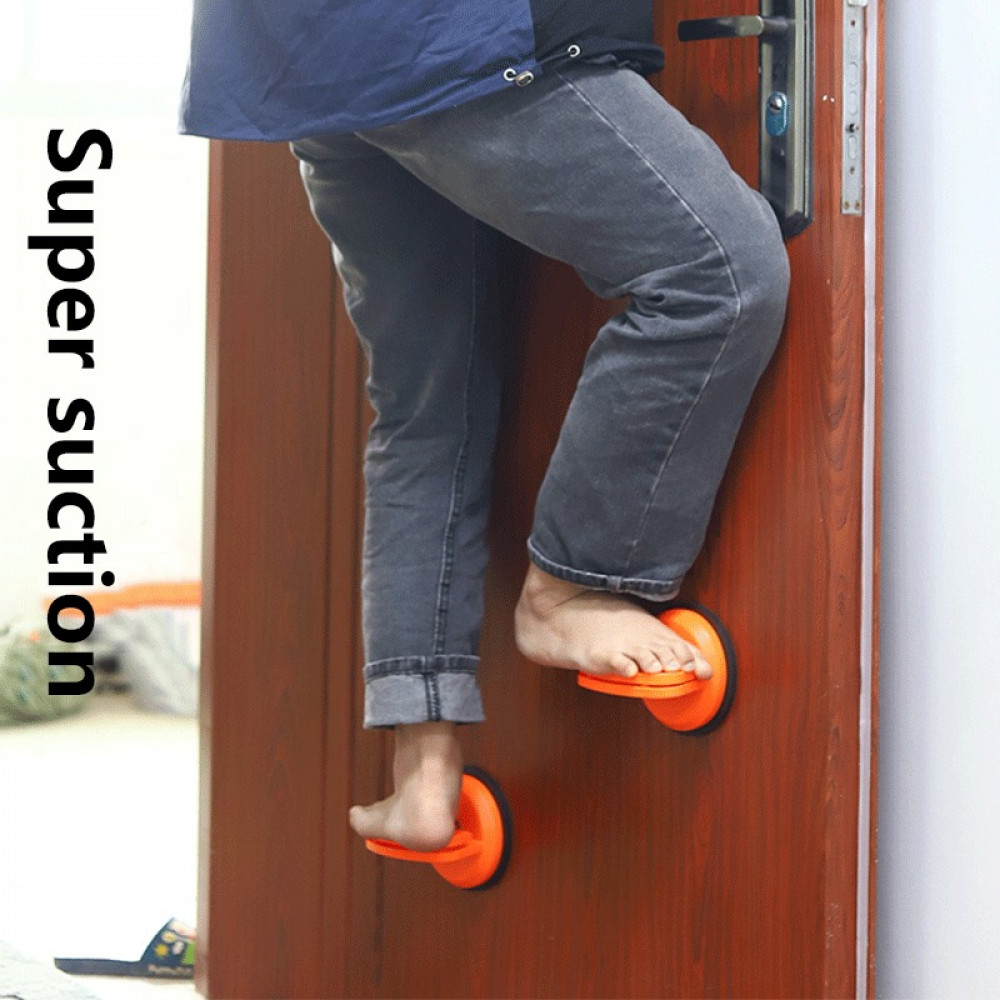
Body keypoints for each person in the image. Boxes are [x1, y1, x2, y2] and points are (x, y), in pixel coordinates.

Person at [181, 2, 790, 853]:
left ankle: (422, 771)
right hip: (459, 41)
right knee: (720, 271)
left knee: (428, 407)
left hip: (324, 57)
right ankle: (571, 591)